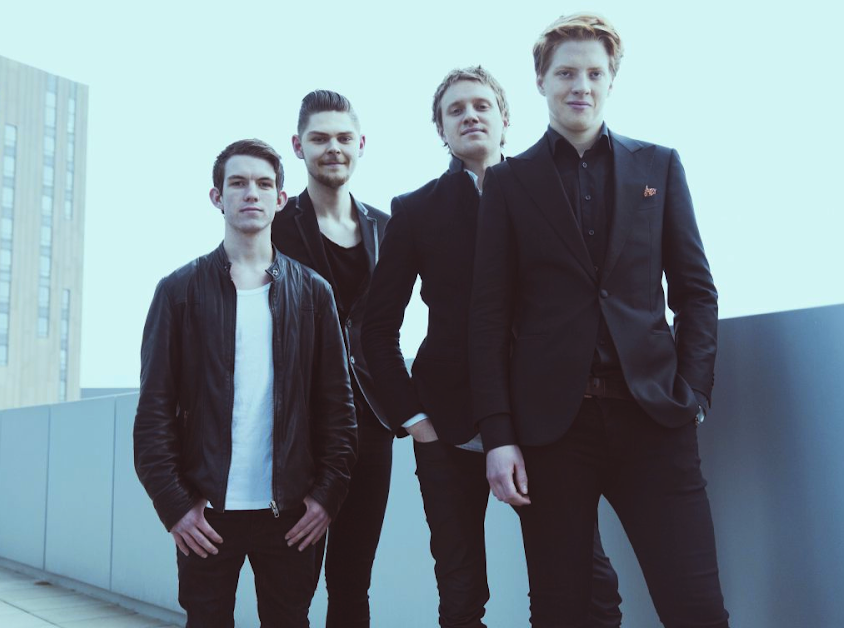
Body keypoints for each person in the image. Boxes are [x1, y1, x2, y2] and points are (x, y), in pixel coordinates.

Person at [470, 13, 730, 628]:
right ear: (541, 81)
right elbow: (488, 318)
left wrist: (693, 394)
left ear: (611, 79)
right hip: (553, 433)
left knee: (695, 607)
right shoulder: (508, 182)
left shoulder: (659, 166)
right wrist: (499, 436)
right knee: (561, 611)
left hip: (654, 420)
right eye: (566, 73)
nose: (580, 85)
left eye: (594, 73)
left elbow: (696, 293)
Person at [363, 66, 623, 628]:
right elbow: (375, 329)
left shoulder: (551, 193)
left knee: (584, 584)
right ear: (441, 130)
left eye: (481, 105)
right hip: (448, 426)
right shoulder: (416, 209)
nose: (470, 116)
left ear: (505, 118)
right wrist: (415, 420)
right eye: (455, 110)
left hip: (544, 420)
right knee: (461, 595)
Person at [133, 139, 357, 627]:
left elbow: (339, 411)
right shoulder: (178, 292)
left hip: (292, 514)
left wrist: (326, 498)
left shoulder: (314, 294)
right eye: (237, 183)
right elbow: (153, 414)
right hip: (206, 513)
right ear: (217, 197)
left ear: (281, 199)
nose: (251, 193)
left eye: (263, 184)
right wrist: (175, 506)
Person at [271, 90, 392, 628]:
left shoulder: (387, 227)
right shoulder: (276, 224)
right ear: (298, 147)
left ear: (361, 144)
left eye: (344, 138)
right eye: (319, 139)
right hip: (298, 426)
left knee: (352, 580)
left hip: (372, 422)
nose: (333, 148)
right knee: (291, 583)